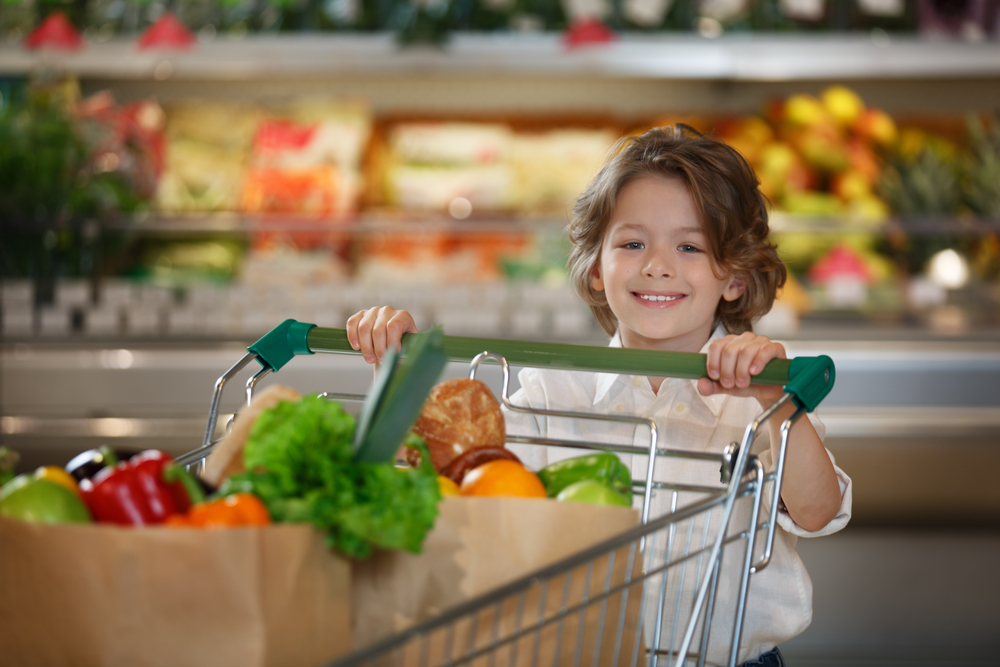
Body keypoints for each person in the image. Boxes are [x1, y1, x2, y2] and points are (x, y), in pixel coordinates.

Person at [345, 125, 852, 667]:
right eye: (632, 243)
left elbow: (818, 511)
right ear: (594, 268)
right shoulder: (549, 393)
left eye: (690, 246)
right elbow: (470, 505)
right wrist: (393, 378)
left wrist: (778, 400)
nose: (657, 264)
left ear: (734, 276)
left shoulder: (762, 395)